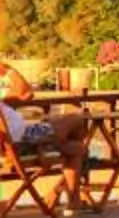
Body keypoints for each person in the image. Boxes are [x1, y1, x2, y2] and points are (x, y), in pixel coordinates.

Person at [3, 69, 94, 209]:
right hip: (26, 143)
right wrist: (8, 70)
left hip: (21, 140)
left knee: (77, 148)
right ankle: (58, 146)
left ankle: (72, 199)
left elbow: (26, 92)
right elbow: (26, 92)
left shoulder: (3, 103)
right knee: (76, 120)